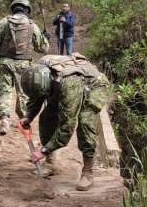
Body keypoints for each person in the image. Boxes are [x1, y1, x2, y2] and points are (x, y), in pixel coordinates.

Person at [19, 53, 110, 191]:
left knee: (85, 121)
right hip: (64, 86)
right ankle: (50, 163)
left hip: (92, 87)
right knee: (47, 117)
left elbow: (67, 127)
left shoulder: (69, 85)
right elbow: (37, 97)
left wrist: (43, 150)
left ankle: (88, 171)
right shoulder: (39, 69)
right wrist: (29, 116)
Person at [0, 0, 50, 135]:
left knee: (4, 90)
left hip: (5, 62)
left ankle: (4, 120)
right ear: (27, 10)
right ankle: (24, 120)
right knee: (23, 92)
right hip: (24, 64)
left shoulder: (4, 22)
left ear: (13, 8)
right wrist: (45, 38)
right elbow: (43, 49)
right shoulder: (32, 25)